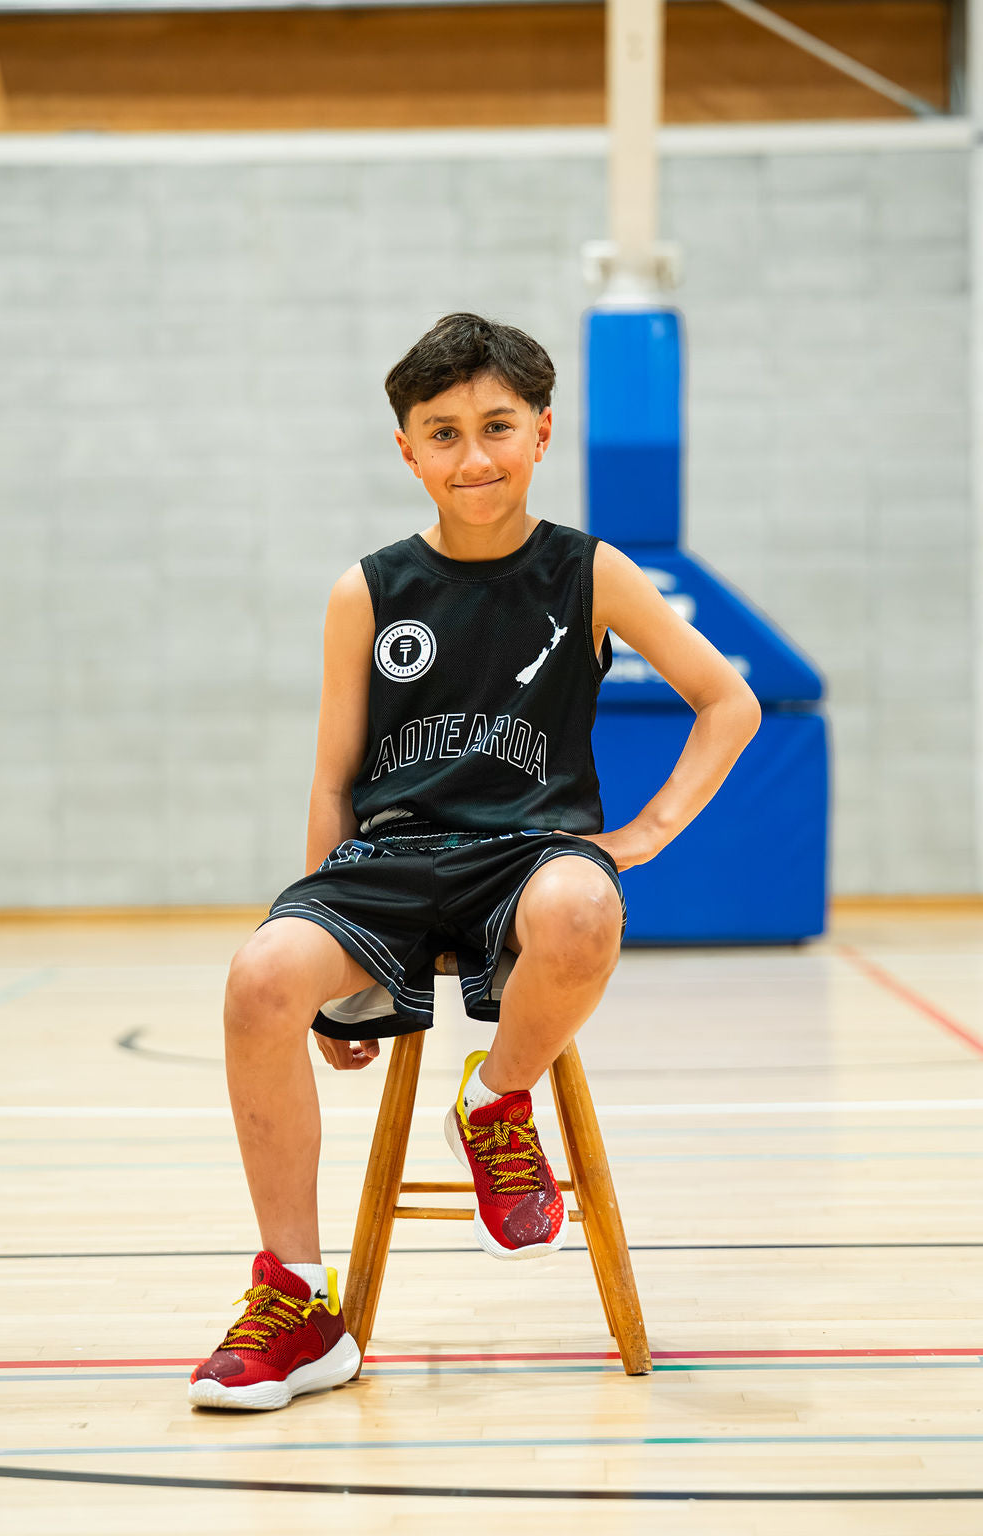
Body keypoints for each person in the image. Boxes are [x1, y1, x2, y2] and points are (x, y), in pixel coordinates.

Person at [188, 312, 760, 1411]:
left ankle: (497, 1101)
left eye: (498, 426)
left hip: (526, 857)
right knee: (258, 977)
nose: (474, 456)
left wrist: (644, 835)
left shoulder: (591, 572)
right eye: (442, 433)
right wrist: (324, 963)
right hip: (387, 865)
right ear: (406, 449)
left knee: (586, 906)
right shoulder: (367, 591)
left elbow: (725, 701)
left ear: (542, 432)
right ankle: (299, 1307)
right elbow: (333, 778)